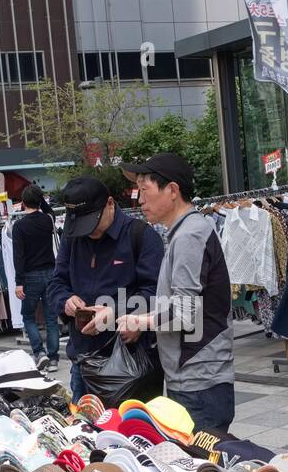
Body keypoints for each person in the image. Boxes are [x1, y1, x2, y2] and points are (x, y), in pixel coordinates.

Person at [116, 153, 236, 433]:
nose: (140, 200)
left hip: (199, 382)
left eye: (145, 190)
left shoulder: (188, 236)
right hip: (195, 378)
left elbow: (184, 313)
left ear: (172, 190)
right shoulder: (185, 231)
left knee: (201, 470)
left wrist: (141, 322)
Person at [47, 175, 164, 399]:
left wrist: (117, 313)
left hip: (131, 365)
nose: (88, 231)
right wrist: (66, 301)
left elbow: (156, 292)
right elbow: (56, 283)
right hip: (83, 361)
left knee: (134, 432)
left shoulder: (141, 236)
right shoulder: (73, 238)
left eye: (92, 221)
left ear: (110, 204)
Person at [12, 184, 60, 372]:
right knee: (51, 317)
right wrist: (42, 200)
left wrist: (18, 282)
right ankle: (54, 358)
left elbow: (19, 256)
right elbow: (50, 211)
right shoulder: (48, 220)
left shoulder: (19, 226)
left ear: (23, 203)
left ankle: (39, 353)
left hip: (30, 276)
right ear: (40, 201)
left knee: (29, 316)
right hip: (50, 272)